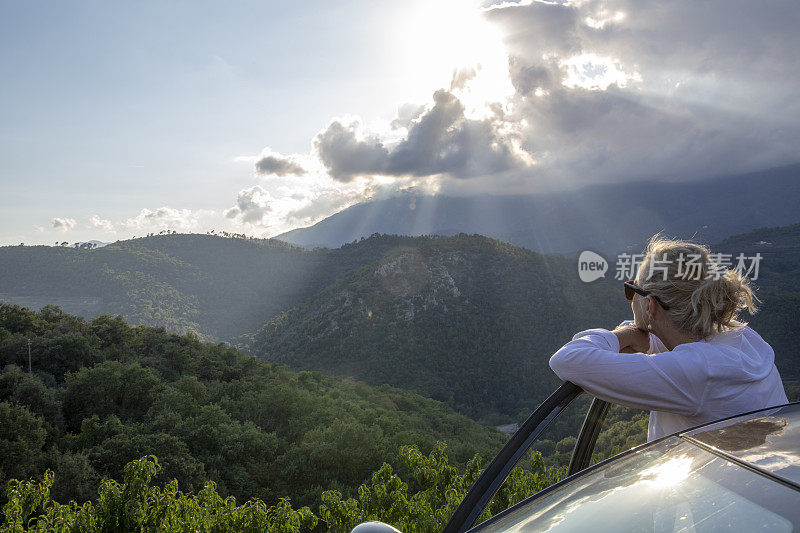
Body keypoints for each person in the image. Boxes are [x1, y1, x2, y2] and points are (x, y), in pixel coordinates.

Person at [549, 233, 788, 441]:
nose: (631, 299)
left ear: (650, 305)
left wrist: (623, 334)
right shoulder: (741, 336)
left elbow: (568, 359)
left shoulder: (698, 372)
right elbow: (685, 341)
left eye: (633, 290)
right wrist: (649, 337)